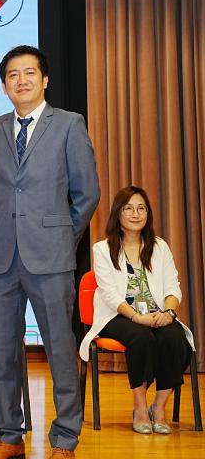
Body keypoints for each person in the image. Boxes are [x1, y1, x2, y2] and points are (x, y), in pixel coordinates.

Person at [0, 45, 100, 459]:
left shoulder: (68, 124)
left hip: (51, 256)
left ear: (44, 80)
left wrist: (62, 234)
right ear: (4, 85)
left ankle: (65, 439)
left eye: (29, 72)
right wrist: (2, 229)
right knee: (5, 349)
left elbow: (86, 193)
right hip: (2, 257)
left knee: (60, 349)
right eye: (13, 74)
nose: (21, 80)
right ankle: (9, 435)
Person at [80, 186, 193, 434]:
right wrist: (137, 317)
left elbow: (173, 287)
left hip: (156, 313)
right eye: (129, 208)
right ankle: (140, 408)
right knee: (141, 337)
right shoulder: (103, 249)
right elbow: (109, 294)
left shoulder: (159, 247)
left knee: (175, 338)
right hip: (117, 315)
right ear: (118, 214)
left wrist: (169, 314)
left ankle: (158, 408)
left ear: (148, 213)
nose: (136, 214)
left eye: (141, 208)